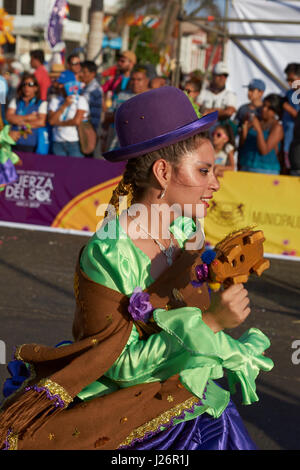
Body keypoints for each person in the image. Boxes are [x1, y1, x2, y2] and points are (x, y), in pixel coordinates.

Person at [0, 86, 273, 450]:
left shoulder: (185, 229)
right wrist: (212, 323)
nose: (215, 184)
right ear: (163, 172)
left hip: (191, 396)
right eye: (205, 171)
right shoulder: (109, 252)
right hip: (137, 424)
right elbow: (120, 367)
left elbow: (187, 305)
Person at [238, 93, 284, 174]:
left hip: (265, 170)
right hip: (246, 165)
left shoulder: (277, 127)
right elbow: (242, 144)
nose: (264, 109)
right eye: (264, 106)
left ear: (275, 111)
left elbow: (264, 151)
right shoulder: (255, 121)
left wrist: (259, 130)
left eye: (269, 108)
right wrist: (244, 128)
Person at [48, 71, 89, 157]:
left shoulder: (80, 99)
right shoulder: (55, 100)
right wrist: (65, 105)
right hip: (57, 142)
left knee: (77, 170)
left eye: (63, 84)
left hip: (74, 142)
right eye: (59, 83)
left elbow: (76, 121)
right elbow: (51, 121)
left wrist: (58, 123)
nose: (60, 86)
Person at [6, 73, 47, 153]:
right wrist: (28, 117)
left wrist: (19, 122)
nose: (26, 87)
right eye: (24, 84)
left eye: (30, 84)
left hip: (31, 144)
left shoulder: (41, 103)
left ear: (36, 88)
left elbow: (41, 122)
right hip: (14, 142)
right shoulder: (16, 101)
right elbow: (9, 118)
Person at [282, 63, 300, 168]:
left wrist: (288, 108)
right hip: (287, 143)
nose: (289, 83)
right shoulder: (289, 93)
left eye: (292, 80)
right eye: (287, 80)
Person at [80, 60, 103, 134]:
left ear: (92, 74)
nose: (81, 74)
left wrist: (92, 131)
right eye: (81, 71)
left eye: (84, 72)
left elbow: (96, 113)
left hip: (89, 127)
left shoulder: (95, 89)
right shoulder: (85, 87)